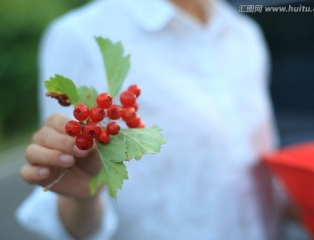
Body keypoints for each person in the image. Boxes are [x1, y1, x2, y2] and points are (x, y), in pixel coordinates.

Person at [16, 0, 293, 239]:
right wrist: (82, 199)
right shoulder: (79, 36)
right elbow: (77, 205)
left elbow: (258, 169)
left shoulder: (243, 34)